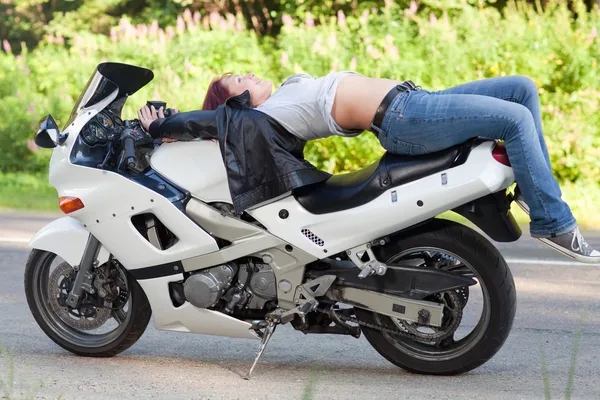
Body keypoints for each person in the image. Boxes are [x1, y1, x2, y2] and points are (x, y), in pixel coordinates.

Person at [137, 71, 600, 263]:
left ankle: (532, 188)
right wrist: (164, 126)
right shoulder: (257, 118)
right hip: (402, 120)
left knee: (520, 89)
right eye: (238, 79)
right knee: (515, 118)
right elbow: (207, 121)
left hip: (415, 98)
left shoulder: (281, 93)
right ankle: (552, 221)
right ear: (234, 100)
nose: (248, 74)